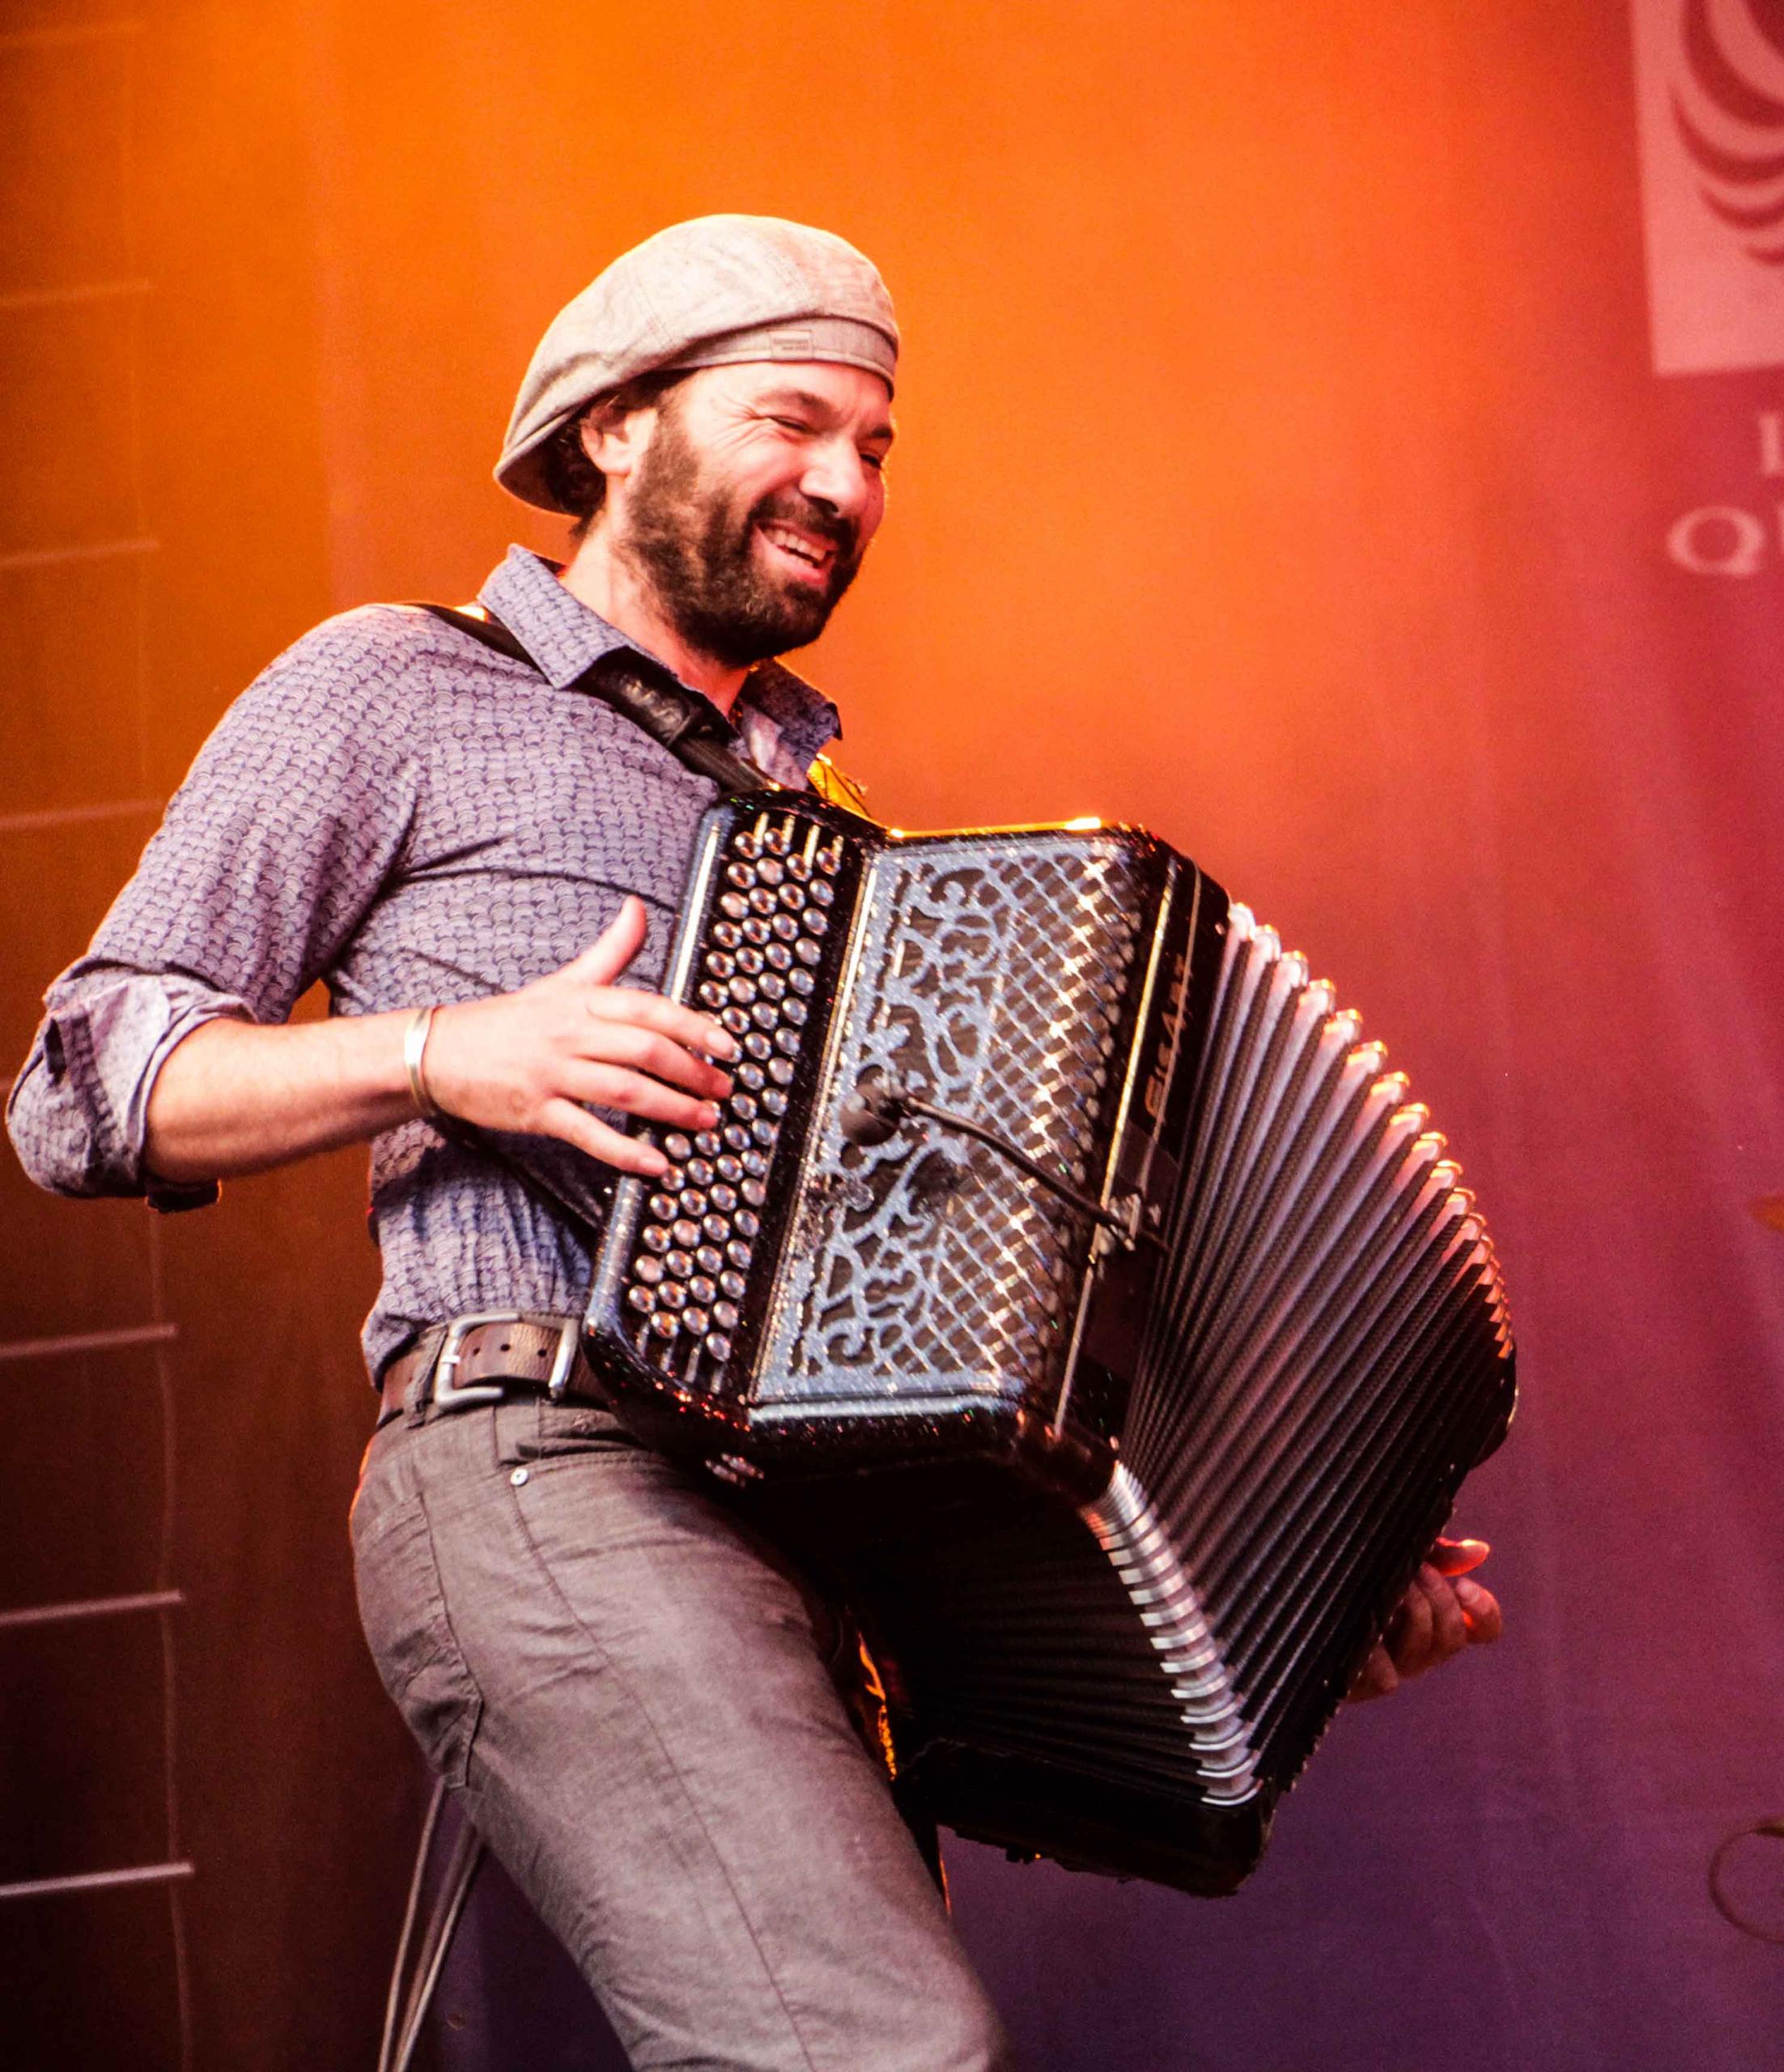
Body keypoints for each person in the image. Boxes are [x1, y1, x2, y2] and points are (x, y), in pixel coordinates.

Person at [7, 214, 1502, 2070]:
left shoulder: (846, 840)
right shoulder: (396, 685)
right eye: (793, 418)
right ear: (616, 425)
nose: (845, 482)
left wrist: (1301, 1585)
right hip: (546, 1459)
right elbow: (87, 1082)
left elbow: (969, 1347)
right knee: (863, 2051)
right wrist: (444, 1052)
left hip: (809, 1548)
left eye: (877, 446)